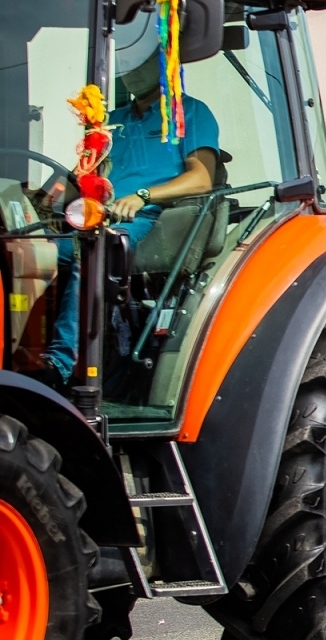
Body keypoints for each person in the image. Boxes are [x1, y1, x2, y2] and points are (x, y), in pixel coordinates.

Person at [37, 27, 220, 389]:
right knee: (30, 253)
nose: (130, 68)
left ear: (162, 62)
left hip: (145, 219)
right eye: (127, 61)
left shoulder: (190, 113)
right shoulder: (113, 122)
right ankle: (23, 353)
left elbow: (202, 179)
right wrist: (45, 194)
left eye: (141, 60)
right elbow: (86, 174)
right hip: (95, 216)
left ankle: (60, 364)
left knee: (91, 254)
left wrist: (142, 196)